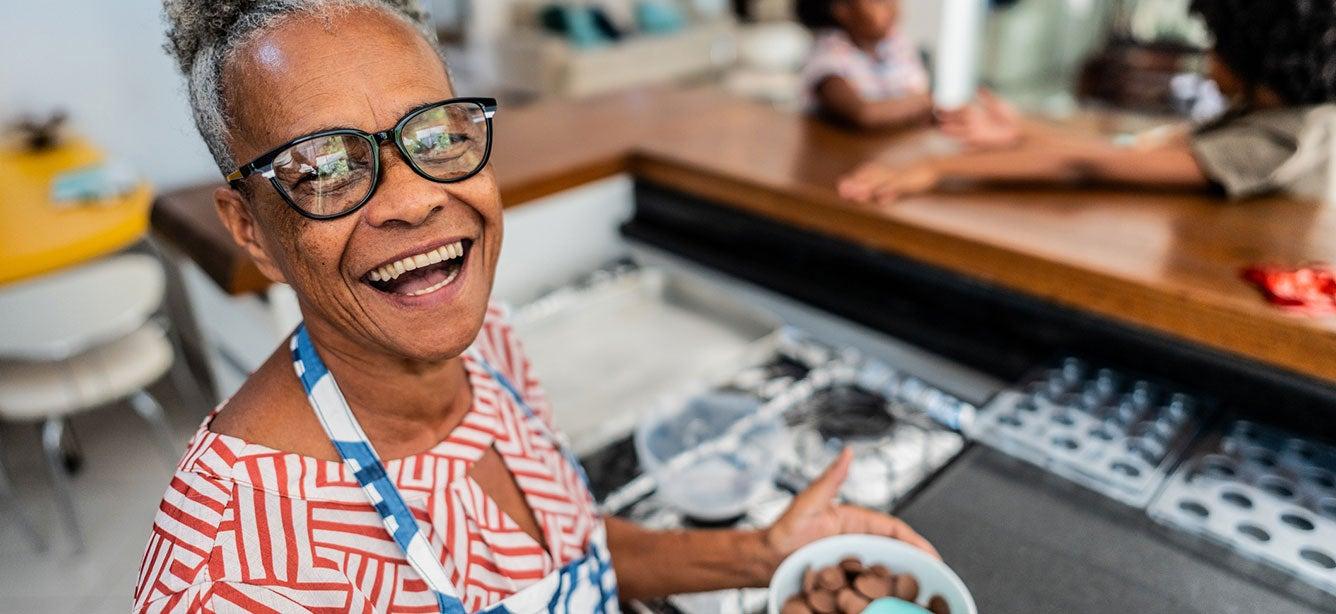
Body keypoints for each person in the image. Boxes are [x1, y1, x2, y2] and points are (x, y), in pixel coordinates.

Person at [134, 1, 937, 611]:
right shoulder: (227, 574)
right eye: (323, 167)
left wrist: (761, 554)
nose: (412, 201)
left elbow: (570, 547)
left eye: (436, 134)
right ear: (253, 230)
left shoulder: (487, 349)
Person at [839, 0, 1336, 205]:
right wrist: (1020, 133)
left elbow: (1089, 166)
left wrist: (938, 169)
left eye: (1215, 41)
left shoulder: (1282, 138)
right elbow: (1135, 150)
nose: (1208, 55)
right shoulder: (1275, 110)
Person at [797, 0, 934, 129]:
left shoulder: (896, 45)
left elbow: (919, 97)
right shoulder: (828, 54)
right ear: (842, 9)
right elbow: (864, 114)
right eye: (878, 0)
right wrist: (923, 102)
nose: (891, 5)